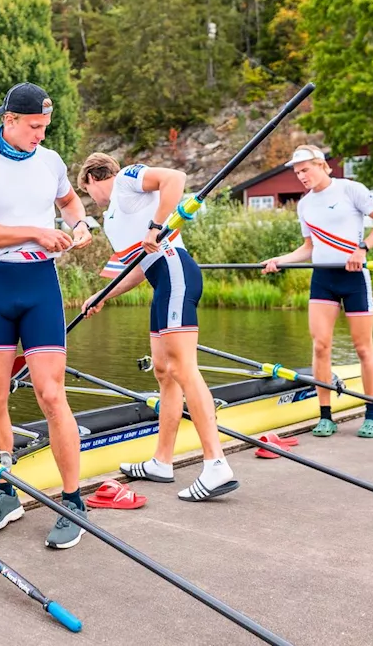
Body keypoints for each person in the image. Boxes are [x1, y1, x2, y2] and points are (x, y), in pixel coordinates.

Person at [0, 82, 93, 548]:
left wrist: (79, 224)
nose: (40, 135)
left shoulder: (50, 162)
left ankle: (73, 502)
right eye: (34, 127)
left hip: (39, 287)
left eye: (45, 127)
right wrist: (37, 231)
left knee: (52, 395)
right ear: (8, 120)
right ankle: (6, 491)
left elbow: (70, 201)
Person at [77, 154, 238, 501]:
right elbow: (137, 267)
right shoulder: (112, 220)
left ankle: (216, 465)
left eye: (87, 192)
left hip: (175, 271)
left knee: (183, 368)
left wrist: (155, 225)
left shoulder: (125, 181)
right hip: (159, 281)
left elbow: (176, 178)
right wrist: (103, 294)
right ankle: (162, 462)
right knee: (164, 372)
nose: (93, 200)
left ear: (92, 177)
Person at [261, 145, 373, 438]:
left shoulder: (350, 190)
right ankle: (326, 416)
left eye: (305, 169)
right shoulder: (305, 204)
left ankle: (371, 414)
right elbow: (308, 248)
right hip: (323, 278)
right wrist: (279, 261)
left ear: (322, 165)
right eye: (297, 173)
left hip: (354, 277)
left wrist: (363, 249)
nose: (301, 176)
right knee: (320, 346)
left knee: (363, 349)